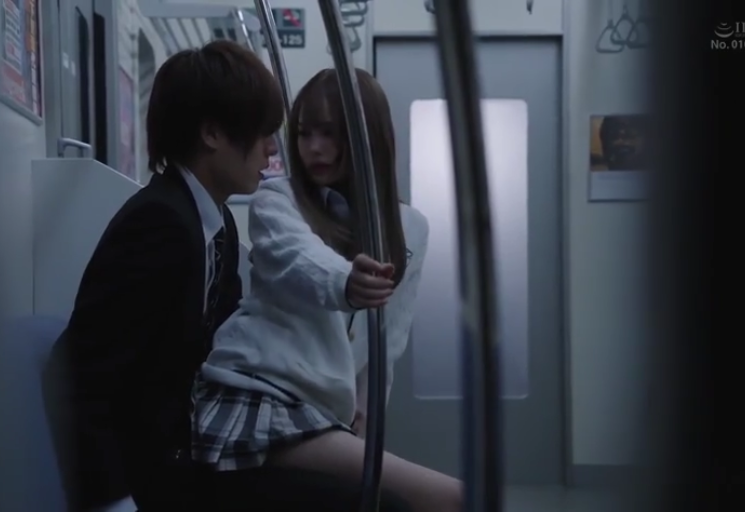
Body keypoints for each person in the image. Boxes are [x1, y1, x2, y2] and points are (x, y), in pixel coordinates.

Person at [41, 42, 413, 512]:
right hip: (162, 472)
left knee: (373, 495)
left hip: (200, 447)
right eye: (262, 133)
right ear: (213, 133)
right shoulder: (160, 223)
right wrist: (112, 502)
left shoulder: (216, 226)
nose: (272, 149)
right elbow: (78, 373)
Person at [191, 68, 462, 512]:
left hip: (324, 414)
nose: (313, 148)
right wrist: (346, 282)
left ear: (365, 136)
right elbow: (296, 258)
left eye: (329, 133)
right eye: (304, 133)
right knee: (450, 497)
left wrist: (367, 416)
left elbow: (386, 342)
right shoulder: (278, 200)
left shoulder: (410, 228)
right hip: (259, 396)